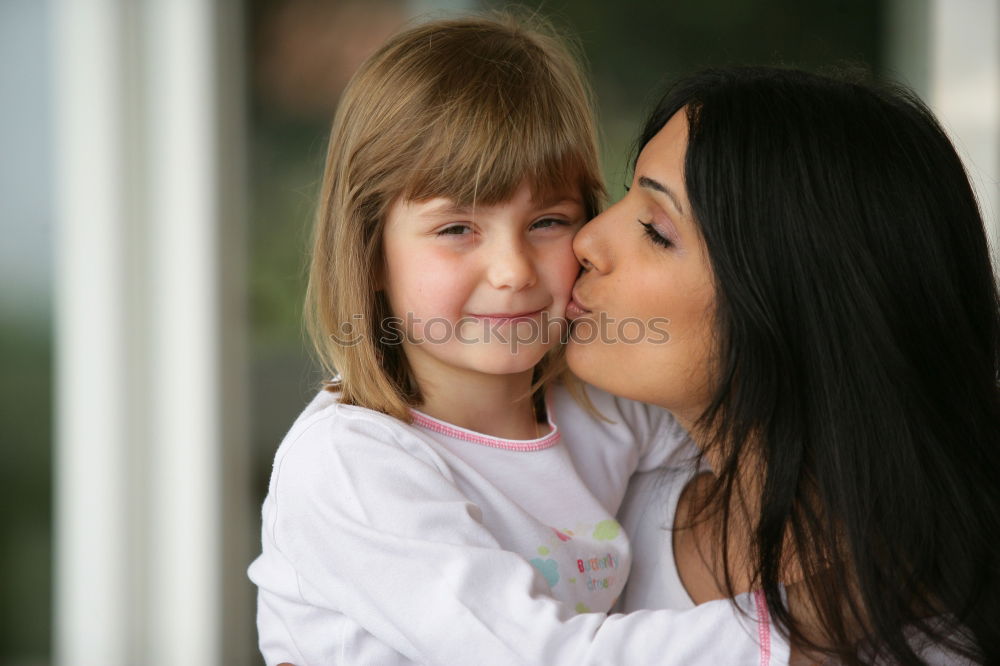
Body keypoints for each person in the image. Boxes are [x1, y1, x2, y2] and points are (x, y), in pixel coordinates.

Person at [248, 16, 788, 666]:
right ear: (369, 256)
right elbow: (544, 656)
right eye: (456, 229)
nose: (513, 272)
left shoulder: (603, 406)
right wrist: (799, 625)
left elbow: (752, 446)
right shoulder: (351, 463)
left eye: (548, 221)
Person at [569, 66, 1000, 664]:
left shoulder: (919, 645)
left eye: (655, 230)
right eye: (625, 194)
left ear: (796, 302)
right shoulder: (592, 505)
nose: (586, 239)